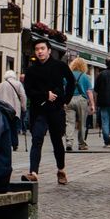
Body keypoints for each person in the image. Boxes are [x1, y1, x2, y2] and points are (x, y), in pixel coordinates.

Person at [21, 40, 75, 186]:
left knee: (57, 141)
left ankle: (61, 170)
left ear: (49, 50)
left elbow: (71, 81)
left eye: (42, 48)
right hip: (39, 110)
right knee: (37, 139)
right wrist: (45, 95)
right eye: (37, 49)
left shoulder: (59, 66)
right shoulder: (31, 70)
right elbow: (28, 90)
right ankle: (33, 173)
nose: (40, 52)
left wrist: (65, 99)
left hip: (56, 110)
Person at [68, 56, 93, 148]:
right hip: (81, 100)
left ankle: (69, 142)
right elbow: (89, 92)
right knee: (82, 123)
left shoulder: (68, 75)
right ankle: (81, 144)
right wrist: (92, 104)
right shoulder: (85, 77)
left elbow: (63, 88)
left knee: (69, 123)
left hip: (69, 100)